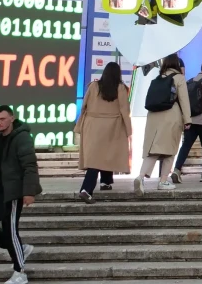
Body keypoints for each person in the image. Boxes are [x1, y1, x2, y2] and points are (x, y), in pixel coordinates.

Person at [0, 105, 41, 284]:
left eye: (2, 119)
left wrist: (29, 192)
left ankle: (20, 273)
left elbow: (30, 165)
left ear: (12, 118)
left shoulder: (22, 138)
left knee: (10, 231)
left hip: (11, 193)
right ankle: (20, 249)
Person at [74, 62, 131, 203]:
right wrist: (129, 129)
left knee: (98, 154)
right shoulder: (120, 88)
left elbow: (84, 106)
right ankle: (86, 189)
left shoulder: (93, 86)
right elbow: (124, 110)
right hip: (111, 125)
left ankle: (106, 181)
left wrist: (80, 124)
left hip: (92, 125)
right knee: (102, 156)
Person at [137, 53, 191, 193]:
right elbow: (184, 100)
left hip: (153, 116)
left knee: (153, 150)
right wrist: (187, 120)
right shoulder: (179, 78)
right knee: (170, 150)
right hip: (171, 116)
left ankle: (140, 176)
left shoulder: (157, 78)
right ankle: (163, 181)